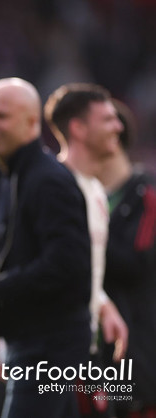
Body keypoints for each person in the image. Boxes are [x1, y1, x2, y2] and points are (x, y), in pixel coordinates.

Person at [0, 77, 92, 418]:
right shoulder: (6, 179)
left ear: (32, 122)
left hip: (48, 347)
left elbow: (67, 265)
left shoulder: (47, 180)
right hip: (30, 342)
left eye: (2, 116)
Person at [44, 83, 129, 417]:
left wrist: (104, 305)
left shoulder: (94, 191)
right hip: (49, 355)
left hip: (84, 349)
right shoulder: (48, 187)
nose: (118, 127)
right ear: (78, 128)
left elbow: (79, 267)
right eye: (107, 119)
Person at [97, 99, 156, 418]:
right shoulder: (76, 196)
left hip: (140, 355)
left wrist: (88, 231)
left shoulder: (148, 193)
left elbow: (137, 263)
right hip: (87, 357)